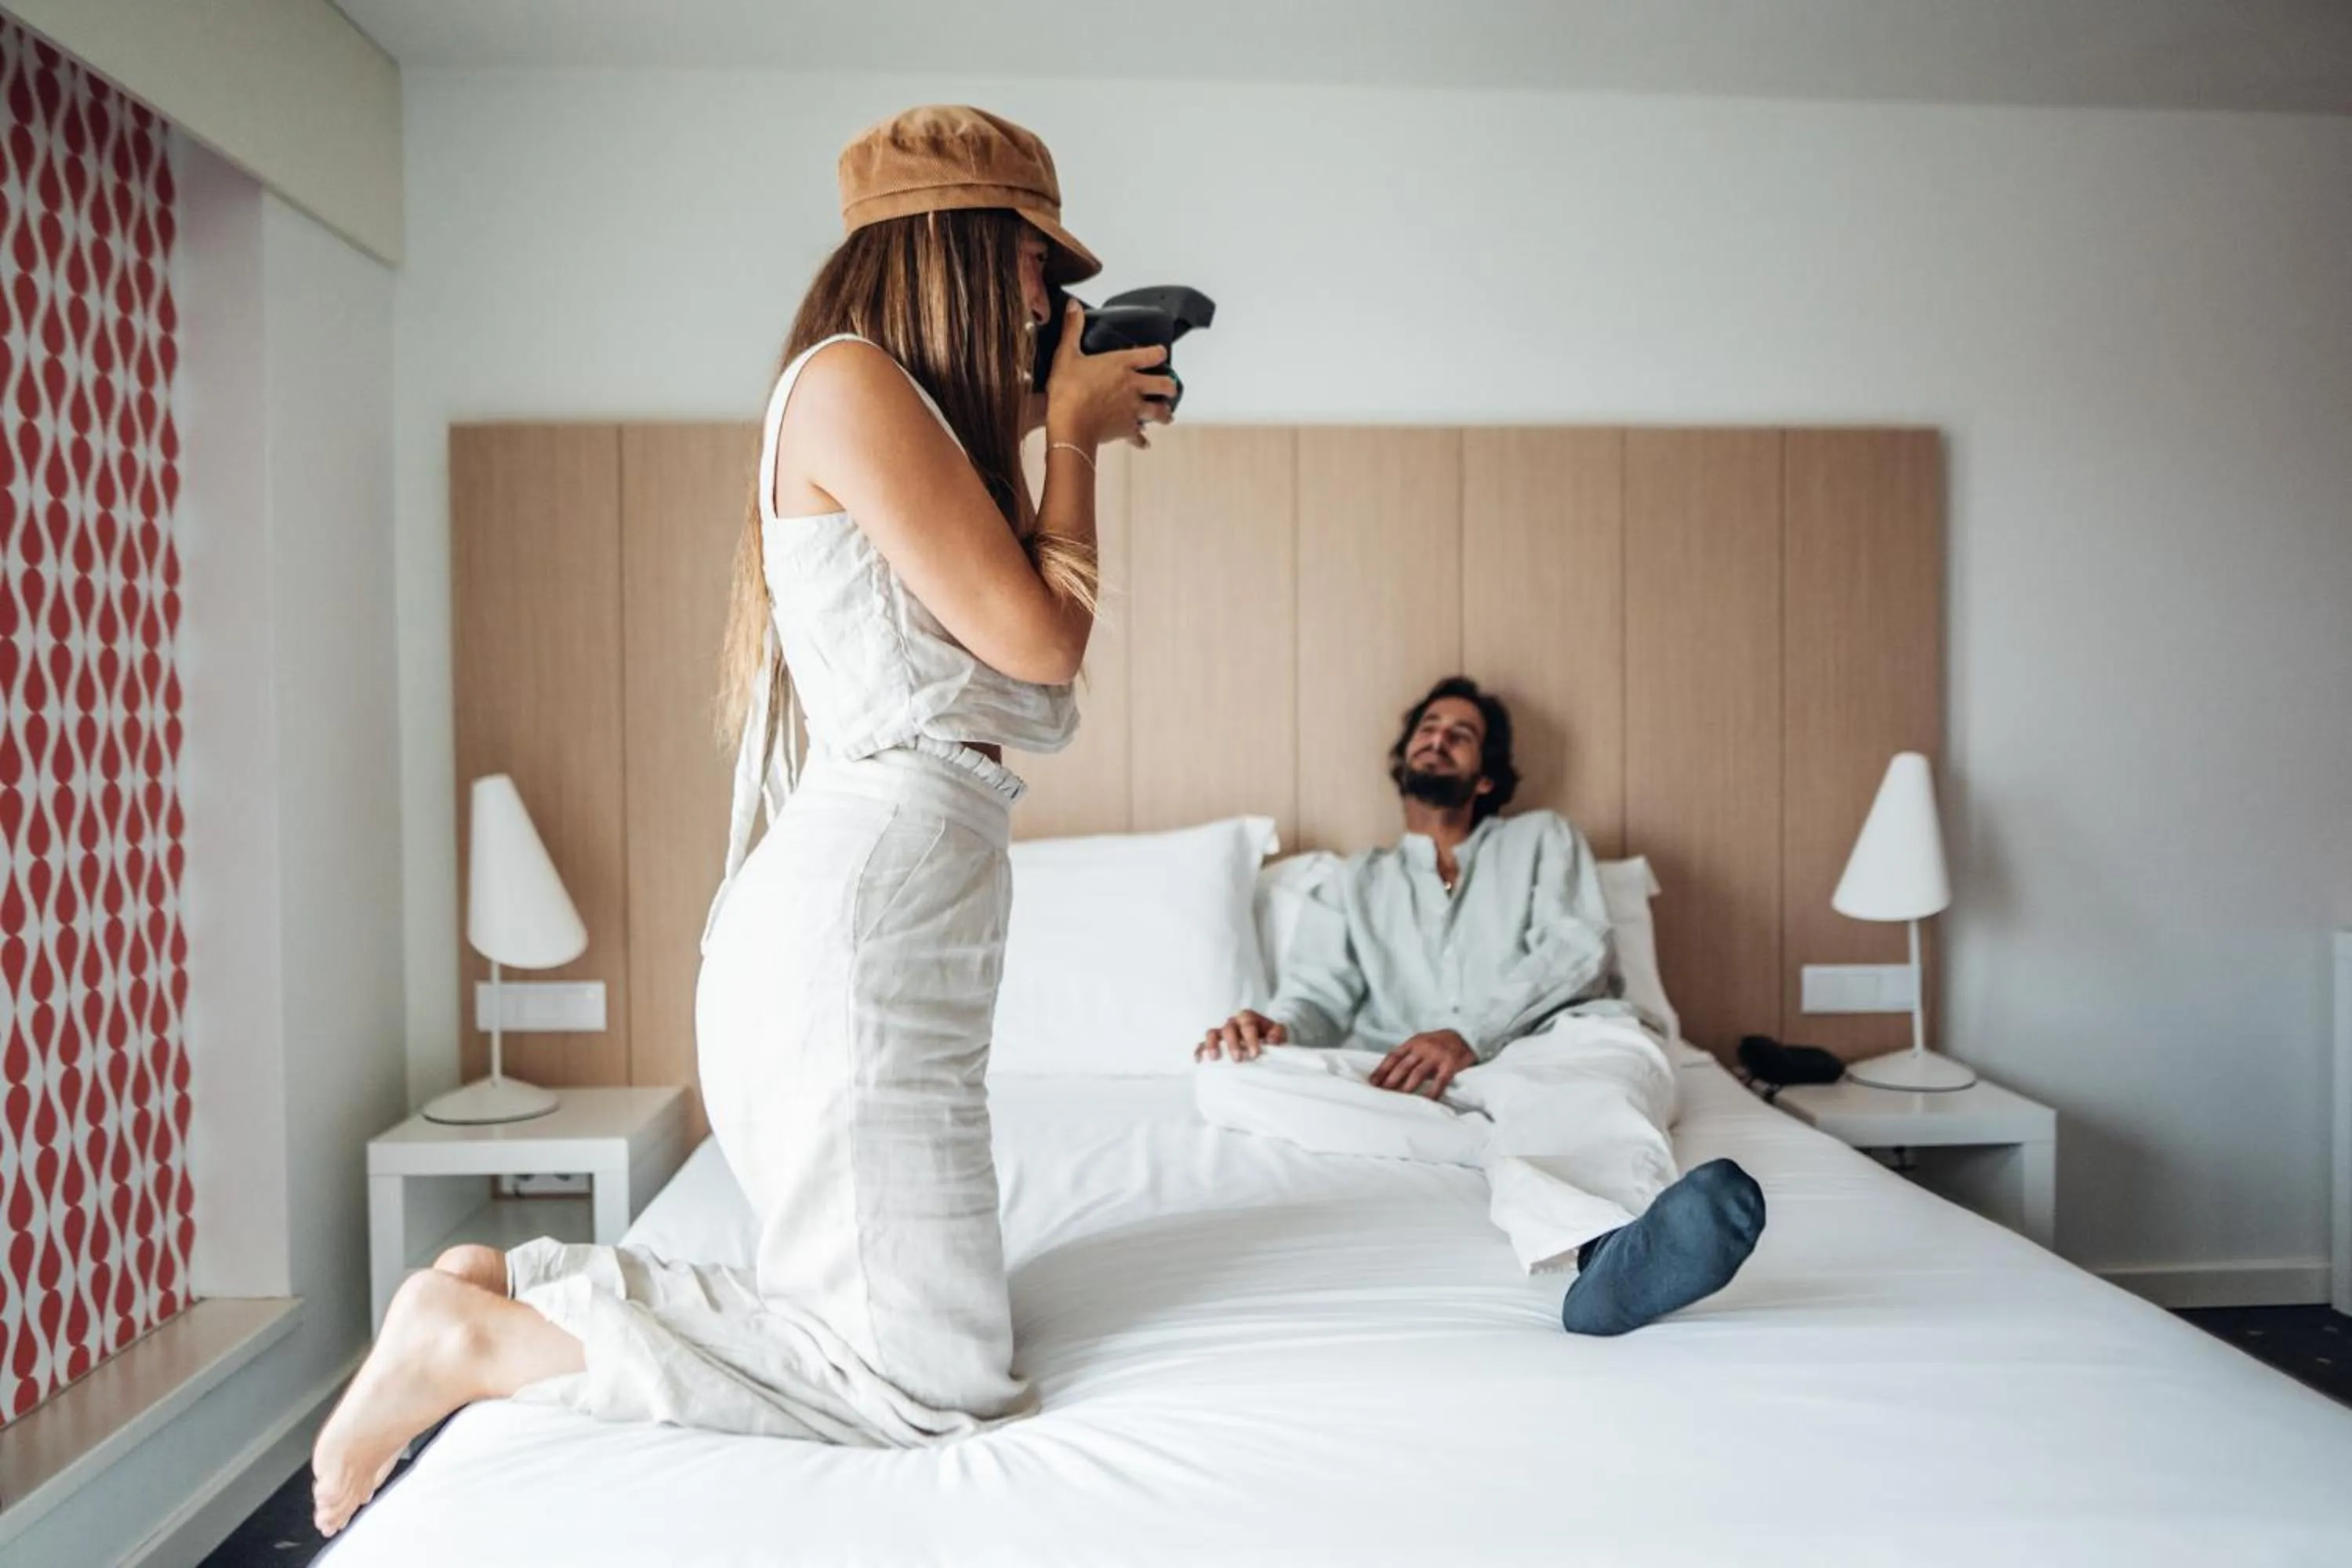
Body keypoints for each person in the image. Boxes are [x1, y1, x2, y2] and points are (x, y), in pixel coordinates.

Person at [311, 106, 1174, 1537]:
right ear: (964, 253)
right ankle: (478, 1348)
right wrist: (1071, 444)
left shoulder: (905, 424)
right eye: (1037, 271)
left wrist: (1047, 424)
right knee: (926, 1387)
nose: (1053, 307)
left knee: (905, 1338)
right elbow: (1044, 644)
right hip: (863, 935)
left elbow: (1022, 690)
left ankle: (504, 1294)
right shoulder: (847, 387)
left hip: (898, 924)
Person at [1196, 676, 1766, 1336]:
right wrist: (1276, 1026)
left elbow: (1576, 946)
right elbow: (1319, 995)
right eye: (1428, 730)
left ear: (1487, 777)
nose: (1437, 741)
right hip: (1416, 1079)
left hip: (1557, 1046)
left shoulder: (1544, 841)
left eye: (1459, 736)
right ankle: (1502, 1139)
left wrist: (1469, 1033)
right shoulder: (1354, 881)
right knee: (1224, 1076)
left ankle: (1608, 1252)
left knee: (1583, 1092)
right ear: (1405, 758)